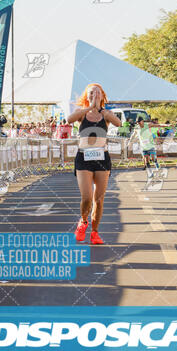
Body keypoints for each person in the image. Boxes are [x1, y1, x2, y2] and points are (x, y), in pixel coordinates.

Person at [67, 83, 121, 245]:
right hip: (84, 158)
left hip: (102, 158)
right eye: (91, 93)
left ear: (102, 95)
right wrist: (89, 107)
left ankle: (95, 232)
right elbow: (69, 120)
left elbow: (118, 123)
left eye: (97, 93)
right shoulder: (81, 113)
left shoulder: (106, 114)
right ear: (87, 95)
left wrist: (100, 109)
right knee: (87, 198)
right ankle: (83, 222)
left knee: (99, 199)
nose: (94, 95)